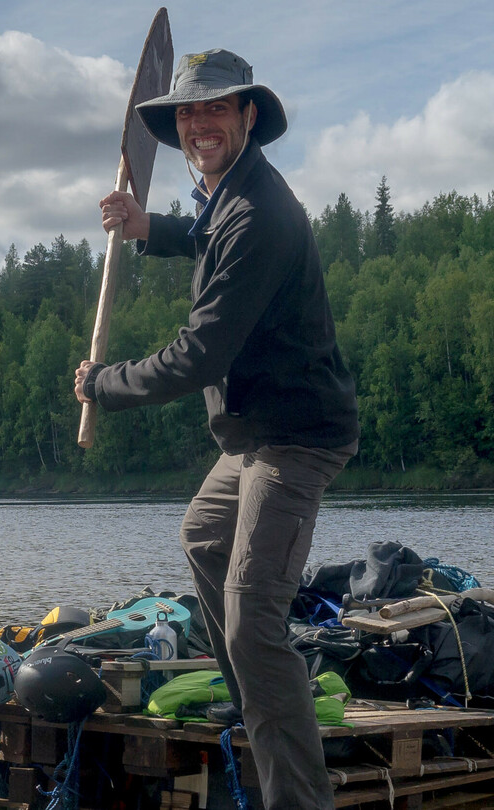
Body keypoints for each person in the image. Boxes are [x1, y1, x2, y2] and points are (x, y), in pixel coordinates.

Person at [76, 49, 359, 810]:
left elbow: (201, 351)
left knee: (252, 624)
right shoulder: (227, 195)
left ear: (247, 116)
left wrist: (106, 383)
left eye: (214, 109)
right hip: (251, 437)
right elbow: (205, 236)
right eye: (187, 113)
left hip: (295, 438)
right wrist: (146, 228)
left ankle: (297, 796)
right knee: (203, 534)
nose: (198, 123)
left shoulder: (260, 211)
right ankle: (254, 699)